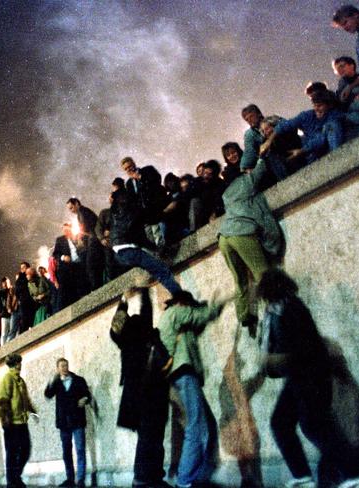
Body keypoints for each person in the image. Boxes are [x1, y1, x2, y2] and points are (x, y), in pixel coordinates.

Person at [256, 268, 359, 488]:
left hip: (308, 377)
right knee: (283, 422)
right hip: (301, 378)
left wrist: (273, 361)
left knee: (315, 425)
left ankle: (355, 477)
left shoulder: (287, 309)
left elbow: (303, 350)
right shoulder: (284, 308)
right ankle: (305, 478)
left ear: (268, 288)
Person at [157, 290, 229, 488]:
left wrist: (209, 309)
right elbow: (202, 315)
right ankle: (185, 480)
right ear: (183, 303)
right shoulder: (175, 312)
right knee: (196, 426)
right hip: (184, 374)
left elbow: (199, 323)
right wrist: (219, 303)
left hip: (182, 376)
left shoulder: (177, 321)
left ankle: (199, 477)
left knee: (208, 425)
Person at [110, 287, 170, 487]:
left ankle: (148, 477)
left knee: (148, 436)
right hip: (151, 391)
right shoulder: (143, 333)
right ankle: (146, 478)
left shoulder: (123, 340)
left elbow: (116, 325)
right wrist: (143, 291)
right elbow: (146, 311)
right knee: (152, 437)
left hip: (136, 394)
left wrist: (123, 300)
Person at [217, 158, 282, 337]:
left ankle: (245, 316)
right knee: (262, 273)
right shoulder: (245, 181)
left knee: (240, 279)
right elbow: (261, 169)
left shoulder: (226, 194)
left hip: (223, 237)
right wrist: (261, 157)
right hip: (241, 233)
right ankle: (276, 308)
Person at [109, 188, 182, 298]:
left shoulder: (115, 212)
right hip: (129, 250)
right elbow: (148, 225)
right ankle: (181, 298)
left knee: (148, 268)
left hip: (118, 255)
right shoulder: (133, 210)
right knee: (161, 270)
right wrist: (167, 211)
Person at [44, 358, 91, 488]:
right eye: (62, 366)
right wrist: (50, 381)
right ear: (58, 368)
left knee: (80, 449)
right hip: (64, 422)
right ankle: (70, 479)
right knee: (66, 451)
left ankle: (80, 480)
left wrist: (85, 399)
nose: (64, 368)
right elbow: (48, 395)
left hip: (78, 420)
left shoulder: (79, 380)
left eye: (66, 365)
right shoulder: (57, 383)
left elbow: (88, 394)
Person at [264, 90, 344, 165]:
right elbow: (286, 125)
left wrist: (302, 150)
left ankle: (337, 160)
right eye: (314, 106)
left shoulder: (334, 116)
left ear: (329, 106)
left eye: (320, 106)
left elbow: (320, 139)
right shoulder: (307, 116)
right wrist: (269, 141)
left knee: (333, 126)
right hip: (312, 156)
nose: (316, 109)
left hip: (327, 150)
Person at [0, 353, 36, 488]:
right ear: (14, 364)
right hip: (12, 423)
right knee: (12, 453)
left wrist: (33, 411)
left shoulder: (20, 380)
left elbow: (25, 399)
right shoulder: (8, 379)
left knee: (25, 450)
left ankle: (15, 477)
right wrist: (6, 422)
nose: (20, 365)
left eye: (20, 362)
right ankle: (12, 482)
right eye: (18, 363)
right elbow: (2, 401)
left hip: (22, 422)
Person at [66, 198, 104, 292]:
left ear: (77, 204)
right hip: (93, 240)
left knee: (91, 265)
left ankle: (97, 289)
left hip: (93, 241)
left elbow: (85, 228)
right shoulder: (83, 212)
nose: (71, 211)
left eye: (71, 208)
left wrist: (80, 237)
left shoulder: (82, 212)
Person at [53, 222, 86, 310]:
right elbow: (55, 254)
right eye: (64, 229)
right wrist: (63, 257)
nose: (65, 231)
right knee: (65, 291)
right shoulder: (60, 240)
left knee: (80, 287)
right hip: (66, 269)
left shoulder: (76, 237)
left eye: (67, 229)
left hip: (78, 265)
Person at [240, 105, 265, 171]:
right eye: (247, 119)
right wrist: (245, 167)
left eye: (251, 116)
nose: (249, 120)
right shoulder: (250, 134)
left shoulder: (273, 120)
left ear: (259, 114)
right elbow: (249, 151)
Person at [0, 278, 13, 346]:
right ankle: (4, 347)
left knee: (11, 331)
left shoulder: (12, 290)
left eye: (6, 282)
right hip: (5, 315)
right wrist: (1, 311)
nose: (5, 284)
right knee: (4, 333)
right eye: (4, 283)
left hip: (11, 314)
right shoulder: (0, 293)